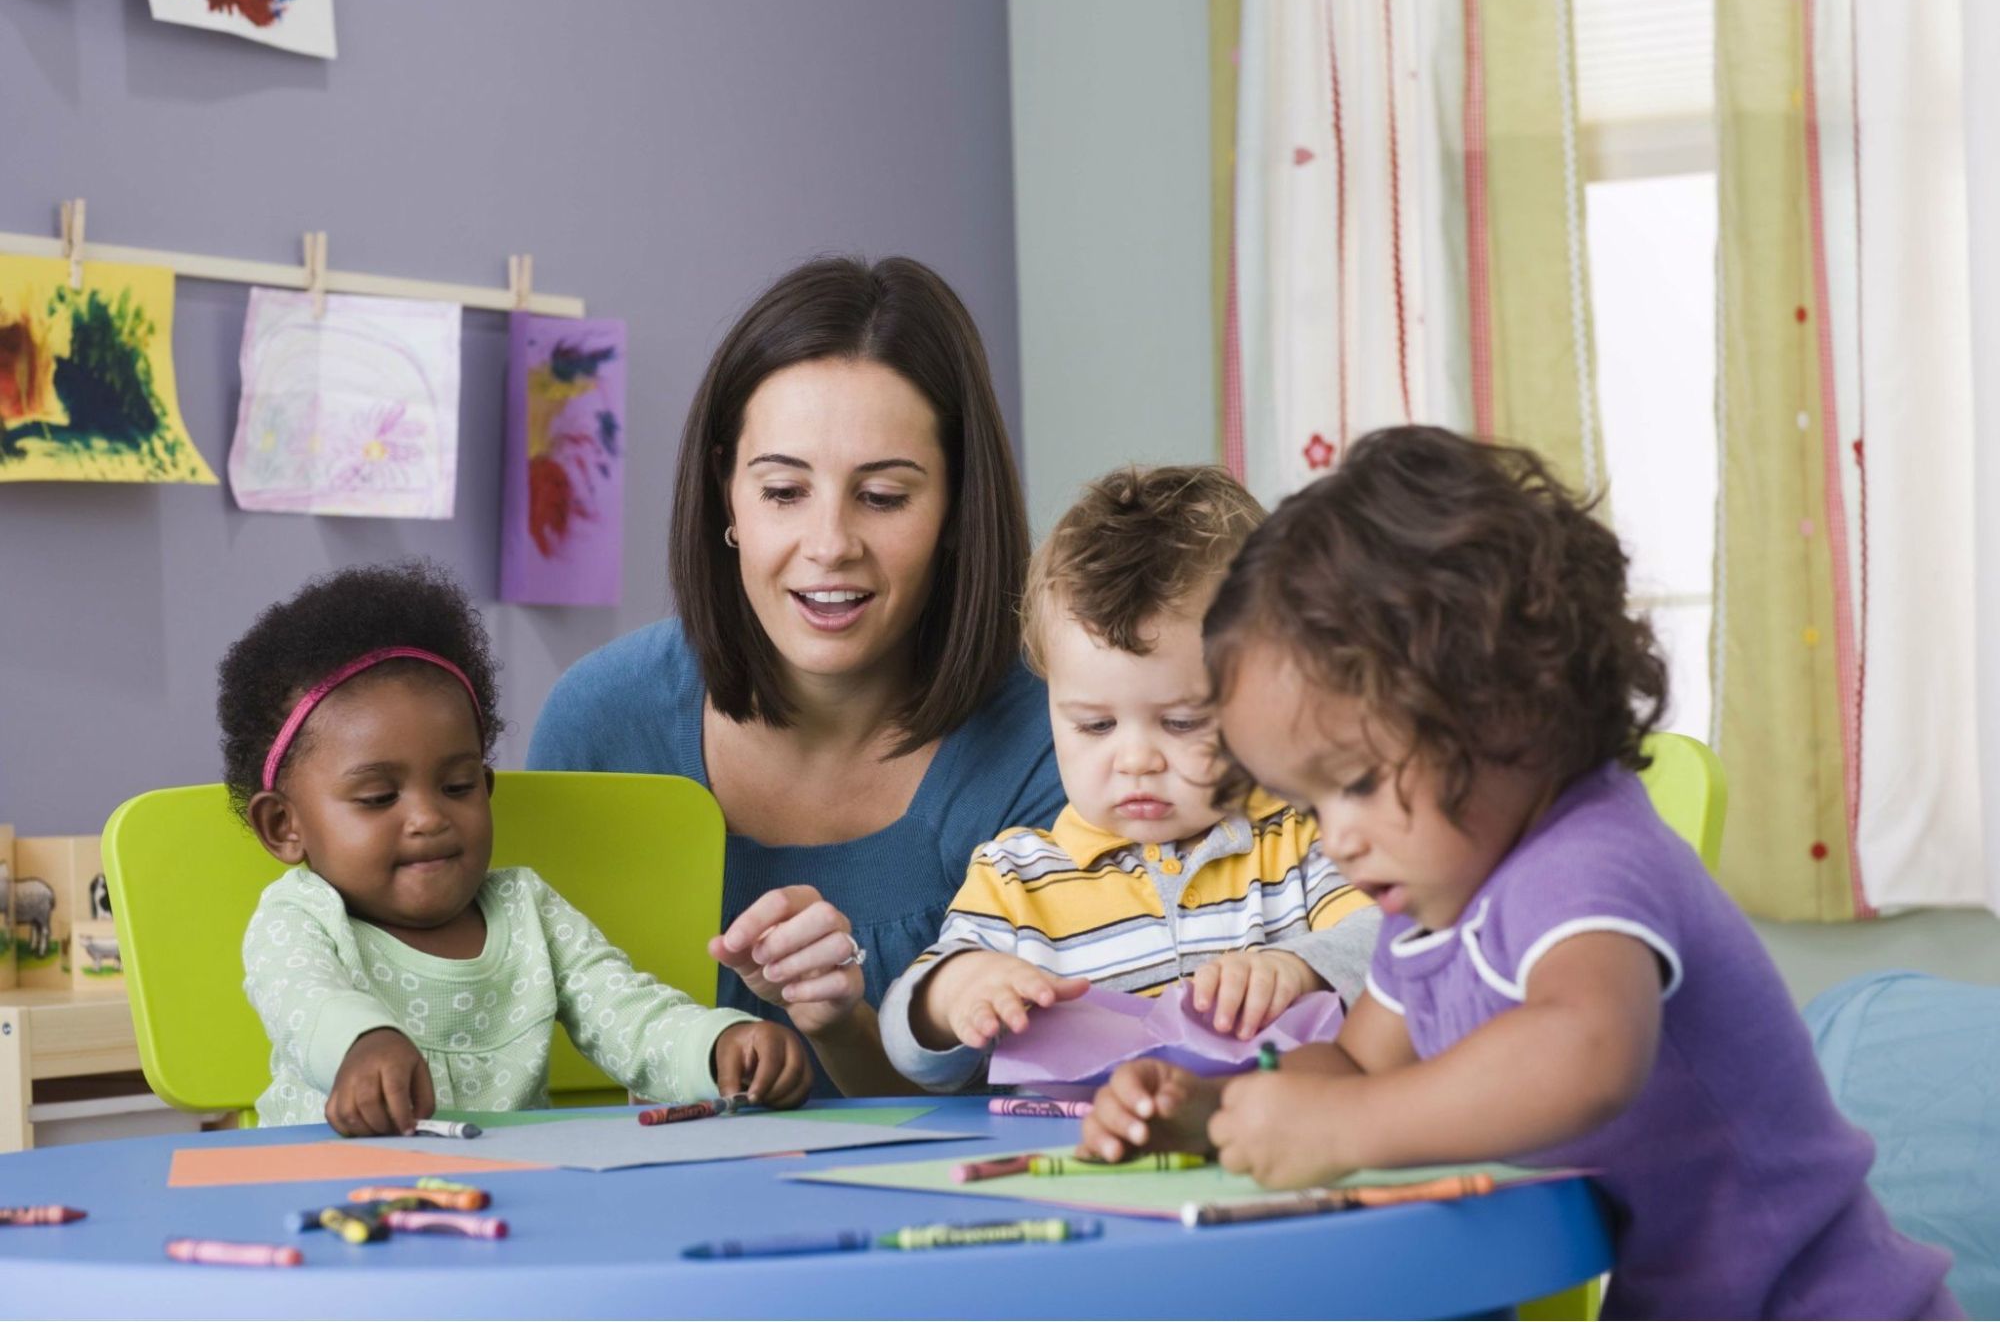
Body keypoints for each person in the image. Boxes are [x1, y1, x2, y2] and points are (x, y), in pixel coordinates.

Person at [1081, 427, 1958, 1319]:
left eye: (1359, 781)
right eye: (1308, 804)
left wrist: (1341, 1130)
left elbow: (1587, 1048)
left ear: (1503, 697)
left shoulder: (1591, 855)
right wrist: (1215, 1109)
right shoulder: (1432, 902)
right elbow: (1352, 1062)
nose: (1337, 837)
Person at [528, 257, 1065, 1095]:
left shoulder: (1058, 742)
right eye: (783, 490)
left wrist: (838, 1020)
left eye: (882, 497)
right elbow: (533, 1066)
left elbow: (1032, 1112)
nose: (828, 543)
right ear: (726, 497)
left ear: (958, 509)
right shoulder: (601, 723)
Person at [224, 563, 811, 1134]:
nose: (428, 818)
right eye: (379, 797)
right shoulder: (298, 919)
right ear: (283, 825)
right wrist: (362, 1044)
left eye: (457, 787)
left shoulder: (526, 909)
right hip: (333, 1193)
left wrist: (718, 1046)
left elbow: (626, 1012)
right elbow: (305, 1002)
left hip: (509, 1196)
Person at [879, 466, 1379, 1091]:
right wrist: (957, 992)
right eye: (1094, 725)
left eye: (1182, 721)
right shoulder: (1017, 880)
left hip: (1266, 1153)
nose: (1135, 760)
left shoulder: (1300, 835)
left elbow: (1399, 945)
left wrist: (1299, 966)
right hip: (1078, 1167)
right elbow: (906, 1043)